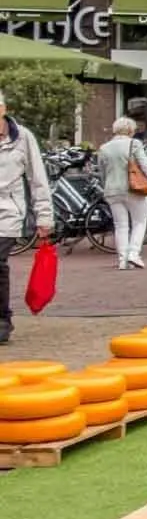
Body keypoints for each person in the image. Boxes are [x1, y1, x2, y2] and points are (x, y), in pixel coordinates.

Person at [0, 87, 54, 345]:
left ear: (3, 110)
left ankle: (2, 320)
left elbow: (37, 179)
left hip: (7, 212)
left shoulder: (22, 138)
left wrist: (44, 218)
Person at [97, 116, 147, 270]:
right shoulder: (134, 144)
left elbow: (102, 172)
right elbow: (145, 165)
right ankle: (133, 254)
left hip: (112, 190)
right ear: (131, 130)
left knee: (120, 226)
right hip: (134, 189)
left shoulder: (104, 148)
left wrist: (105, 186)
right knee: (140, 222)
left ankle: (122, 260)